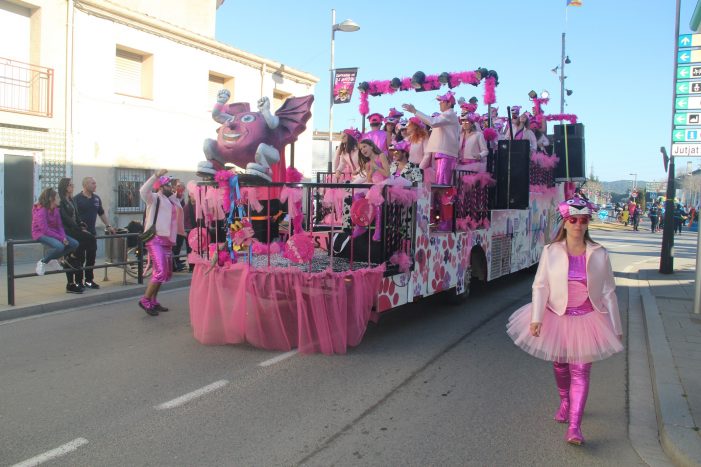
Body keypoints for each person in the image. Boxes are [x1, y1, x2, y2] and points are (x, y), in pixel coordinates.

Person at [506, 197, 623, 445]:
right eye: (573, 220)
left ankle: (575, 426)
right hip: (557, 316)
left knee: (581, 371)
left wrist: (616, 325)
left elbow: (608, 292)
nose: (578, 224)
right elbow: (540, 285)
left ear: (588, 223)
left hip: (588, 318)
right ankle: (565, 401)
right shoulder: (551, 251)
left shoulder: (600, 254)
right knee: (560, 364)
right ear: (565, 222)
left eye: (583, 220)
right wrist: (536, 317)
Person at [138, 169, 185, 316]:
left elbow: (179, 201)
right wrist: (156, 176)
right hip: (155, 239)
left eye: (171, 185)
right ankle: (145, 300)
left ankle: (153, 301)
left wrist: (179, 189)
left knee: (165, 274)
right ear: (161, 187)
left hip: (166, 241)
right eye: (168, 185)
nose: (171, 188)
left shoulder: (170, 200)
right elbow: (143, 190)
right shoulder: (153, 198)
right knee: (159, 272)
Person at [402, 91, 460, 185]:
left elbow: (433, 122)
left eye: (442, 101)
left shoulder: (449, 114)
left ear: (449, 103)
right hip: (440, 154)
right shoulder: (446, 115)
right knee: (438, 184)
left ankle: (446, 200)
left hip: (444, 154)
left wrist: (415, 111)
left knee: (442, 185)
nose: (440, 103)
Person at [74, 176, 115, 289]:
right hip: (80, 234)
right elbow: (72, 216)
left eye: (95, 183)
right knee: (80, 258)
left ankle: (89, 280)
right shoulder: (77, 199)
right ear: (85, 185)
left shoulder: (96, 198)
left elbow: (101, 213)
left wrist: (108, 225)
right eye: (93, 183)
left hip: (92, 234)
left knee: (91, 258)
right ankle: (78, 282)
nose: (95, 185)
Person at [58, 177, 98, 293]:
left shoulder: (71, 199)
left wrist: (81, 224)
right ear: (65, 187)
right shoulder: (61, 201)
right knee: (88, 241)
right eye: (70, 185)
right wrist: (79, 229)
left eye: (72, 184)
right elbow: (66, 219)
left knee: (81, 252)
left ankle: (79, 281)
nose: (72, 186)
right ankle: (70, 283)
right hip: (68, 231)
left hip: (75, 229)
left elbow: (76, 216)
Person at [32, 188, 79, 280]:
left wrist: (64, 237)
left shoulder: (56, 210)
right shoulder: (41, 211)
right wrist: (61, 239)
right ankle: (43, 262)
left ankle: (52, 259)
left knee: (74, 244)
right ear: (51, 199)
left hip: (54, 232)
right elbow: (44, 230)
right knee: (59, 246)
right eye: (57, 197)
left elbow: (60, 226)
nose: (60, 199)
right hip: (39, 233)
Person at [170, 179, 187, 271]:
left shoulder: (181, 196)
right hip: (173, 225)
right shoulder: (172, 196)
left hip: (179, 225)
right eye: (179, 185)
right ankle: (174, 264)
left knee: (179, 244)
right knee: (174, 246)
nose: (181, 187)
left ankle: (176, 260)